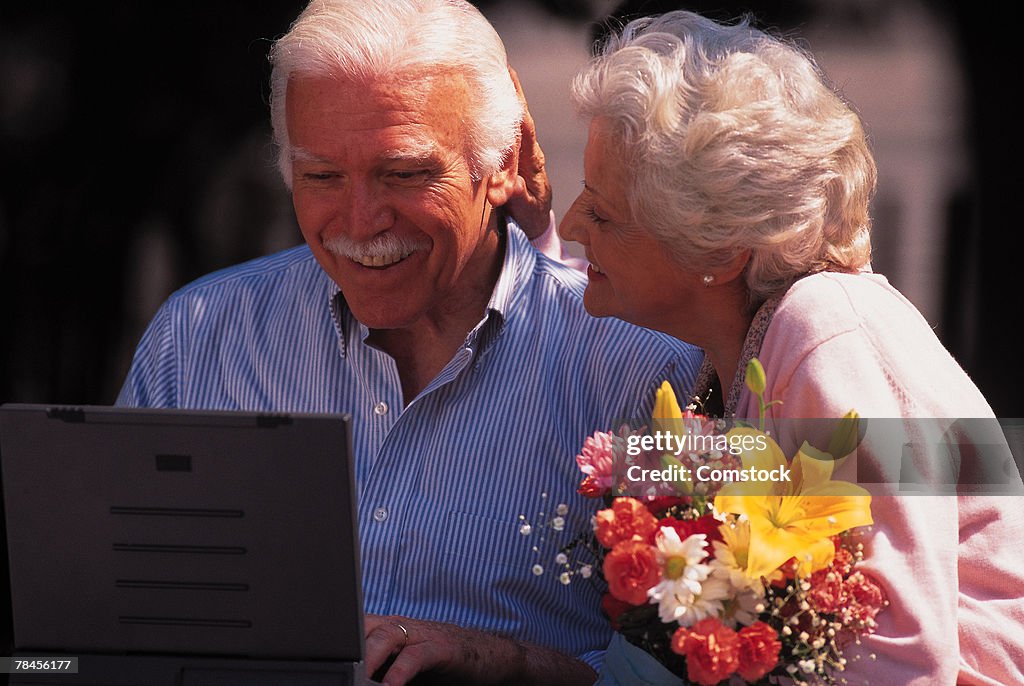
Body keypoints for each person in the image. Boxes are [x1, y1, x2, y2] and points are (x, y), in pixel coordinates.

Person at [117, 1, 702, 684]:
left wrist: (502, 664)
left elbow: (724, 653)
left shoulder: (650, 364)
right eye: (322, 176)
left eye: (405, 174)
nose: (362, 221)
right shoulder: (198, 339)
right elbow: (119, 623)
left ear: (505, 161)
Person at [558, 10, 1024, 685]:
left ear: (717, 247)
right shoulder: (735, 351)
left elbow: (899, 665)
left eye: (602, 213)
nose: (571, 226)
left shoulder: (826, 329)